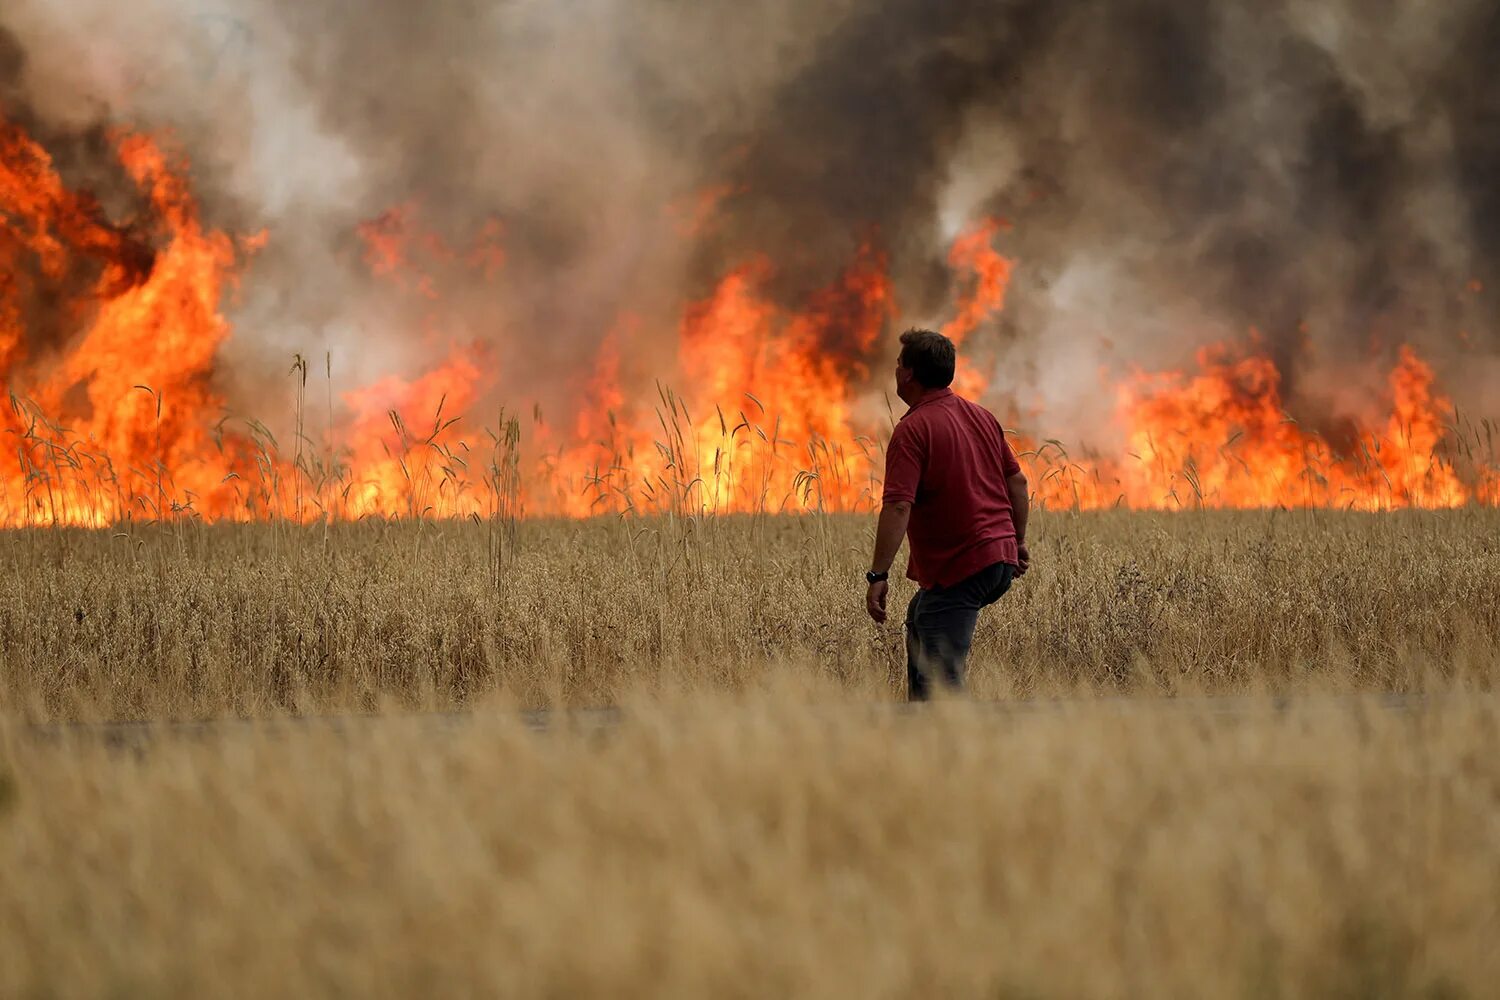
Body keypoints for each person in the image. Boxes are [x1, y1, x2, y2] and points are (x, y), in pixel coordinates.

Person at [864, 328, 1030, 700]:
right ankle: (921, 726)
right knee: (923, 614)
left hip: (965, 563)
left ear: (908, 374)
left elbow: (898, 505)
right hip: (997, 558)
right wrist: (1016, 542)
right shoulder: (981, 416)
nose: (895, 370)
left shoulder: (913, 429)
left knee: (943, 681)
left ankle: (951, 742)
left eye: (898, 363)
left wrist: (879, 574)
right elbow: (1017, 483)